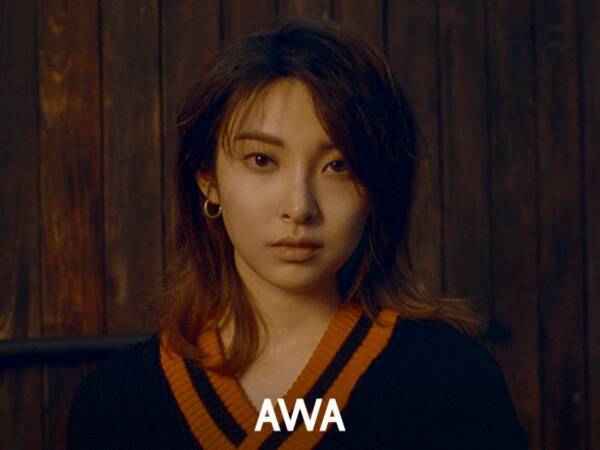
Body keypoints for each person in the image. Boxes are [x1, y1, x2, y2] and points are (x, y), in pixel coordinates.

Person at [67, 16, 529, 450]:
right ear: (208, 180)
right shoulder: (115, 403)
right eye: (262, 160)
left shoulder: (452, 382)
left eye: (338, 165)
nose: (299, 207)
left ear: (377, 187)